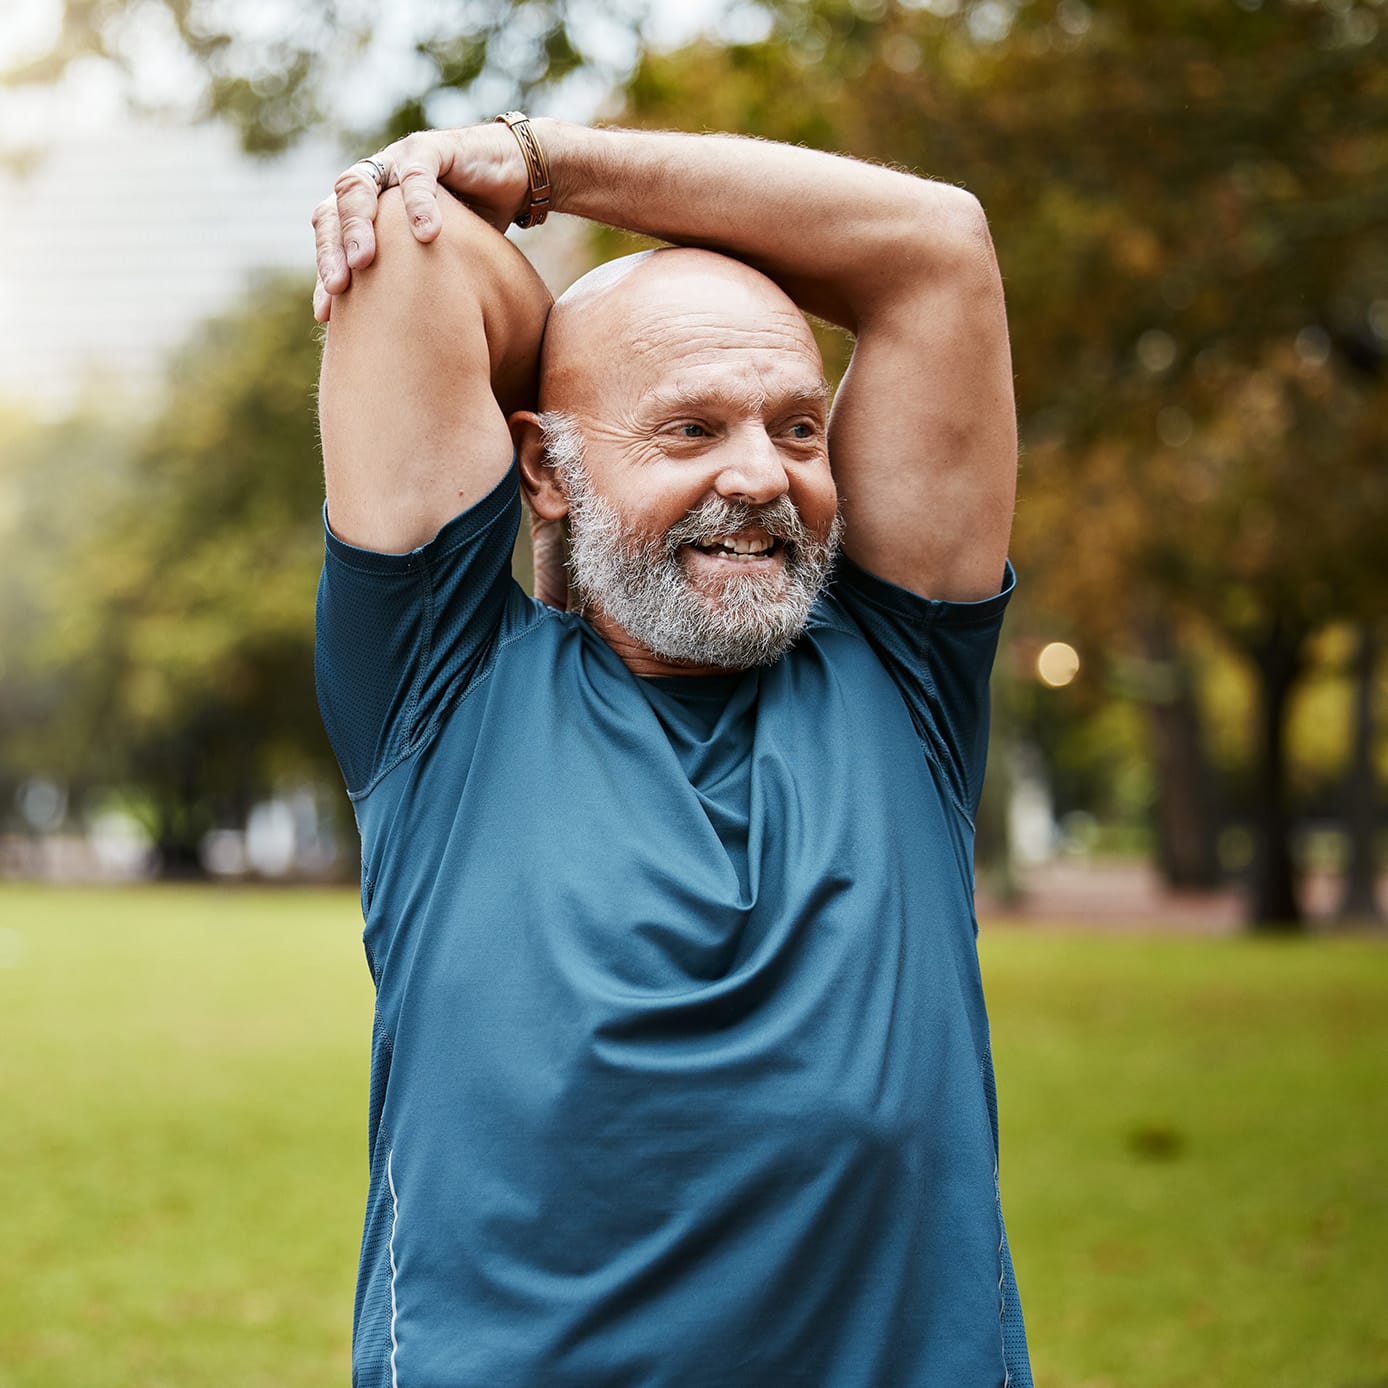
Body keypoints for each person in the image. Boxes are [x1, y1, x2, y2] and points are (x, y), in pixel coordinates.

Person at [311, 113, 1030, 1388]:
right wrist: (577, 375)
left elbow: (936, 245)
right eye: (689, 429)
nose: (761, 475)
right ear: (542, 469)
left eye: (797, 427)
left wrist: (546, 164)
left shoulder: (901, 668)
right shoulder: (441, 691)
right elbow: (411, 254)